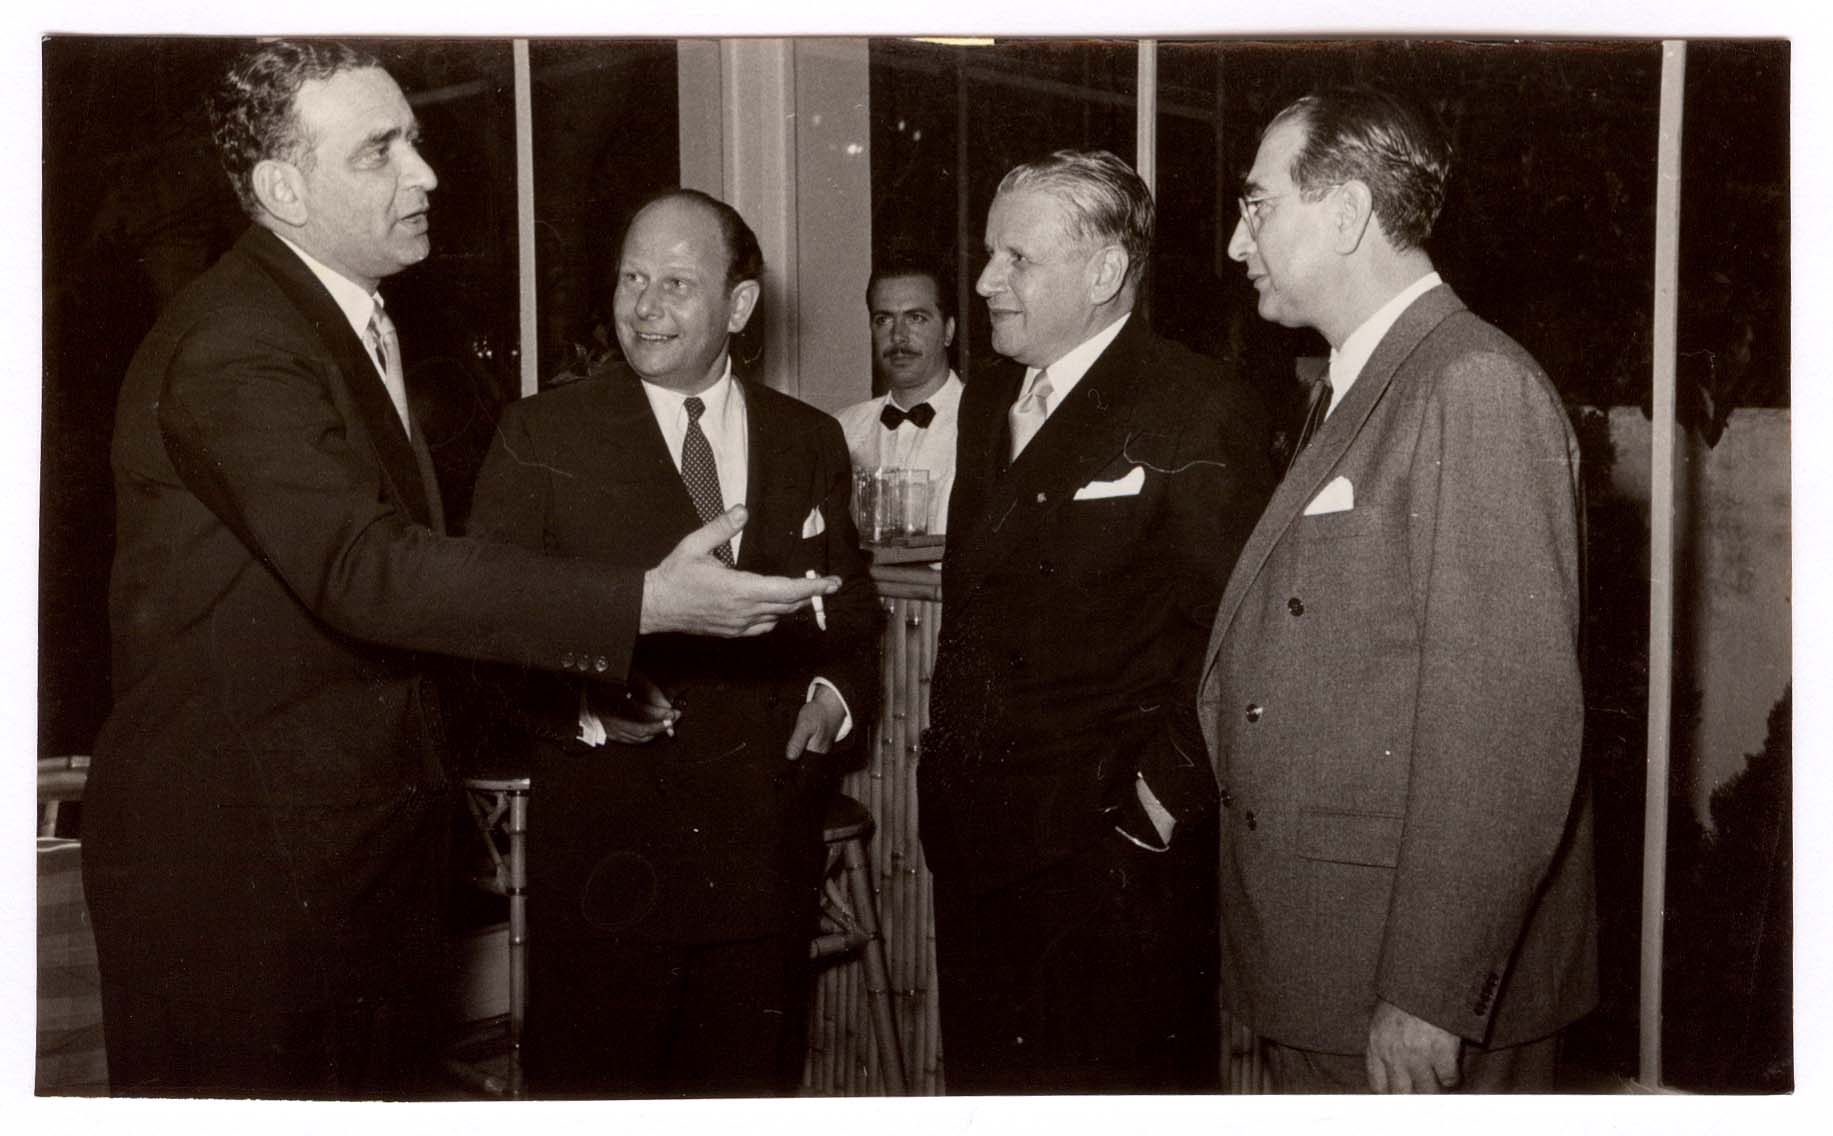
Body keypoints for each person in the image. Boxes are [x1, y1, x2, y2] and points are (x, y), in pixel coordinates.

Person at [83, 41, 834, 1099]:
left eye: (416, 140)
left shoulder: (332, 323)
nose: (426, 173)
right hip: (243, 864)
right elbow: (363, 567)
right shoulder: (237, 340)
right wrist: (644, 599)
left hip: (337, 846)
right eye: (380, 151)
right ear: (283, 189)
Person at [1198, 86, 1596, 1093]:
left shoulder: (1470, 382)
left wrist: (1429, 990)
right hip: (1329, 953)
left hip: (1403, 985)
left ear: (1345, 213)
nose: (1237, 243)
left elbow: (1505, 724)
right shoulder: (1362, 381)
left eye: (1257, 206)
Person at [465, 190, 881, 1097]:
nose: (644, 307)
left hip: (762, 857)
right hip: (611, 868)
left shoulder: (808, 439)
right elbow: (484, 629)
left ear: (739, 305)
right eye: (631, 279)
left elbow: (851, 616)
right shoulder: (542, 434)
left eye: (676, 284)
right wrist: (585, 701)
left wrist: (834, 695)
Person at [919, 150, 1274, 1093]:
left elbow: (1237, 640)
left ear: (1105, 271)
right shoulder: (986, 397)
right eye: (988, 254)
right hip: (977, 849)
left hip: (1111, 867)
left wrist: (1154, 811)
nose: (985, 282)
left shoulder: (1197, 407)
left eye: (1017, 259)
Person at [832, 256, 964, 533]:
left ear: (948, 331)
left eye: (916, 318)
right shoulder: (840, 430)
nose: (898, 336)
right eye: (883, 320)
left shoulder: (987, 425)